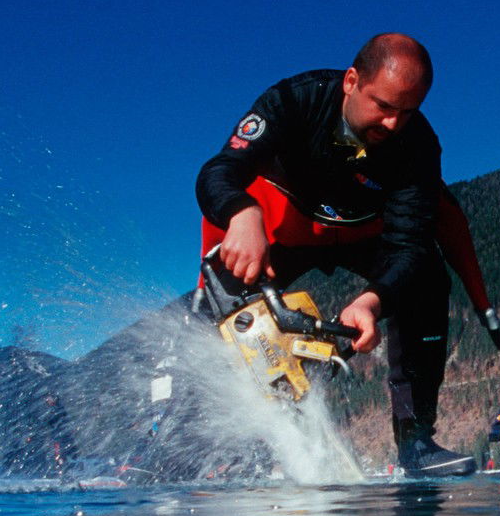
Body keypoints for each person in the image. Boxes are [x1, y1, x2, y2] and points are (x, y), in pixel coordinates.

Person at [196, 33, 476, 475]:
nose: (392, 124)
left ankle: (416, 441)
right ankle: (203, 451)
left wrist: (373, 299)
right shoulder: (294, 99)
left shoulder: (419, 145)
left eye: (408, 112)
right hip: (288, 231)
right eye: (383, 106)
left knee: (427, 279)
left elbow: (409, 246)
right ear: (351, 81)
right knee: (218, 303)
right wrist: (241, 212)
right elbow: (219, 170)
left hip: (363, 233)